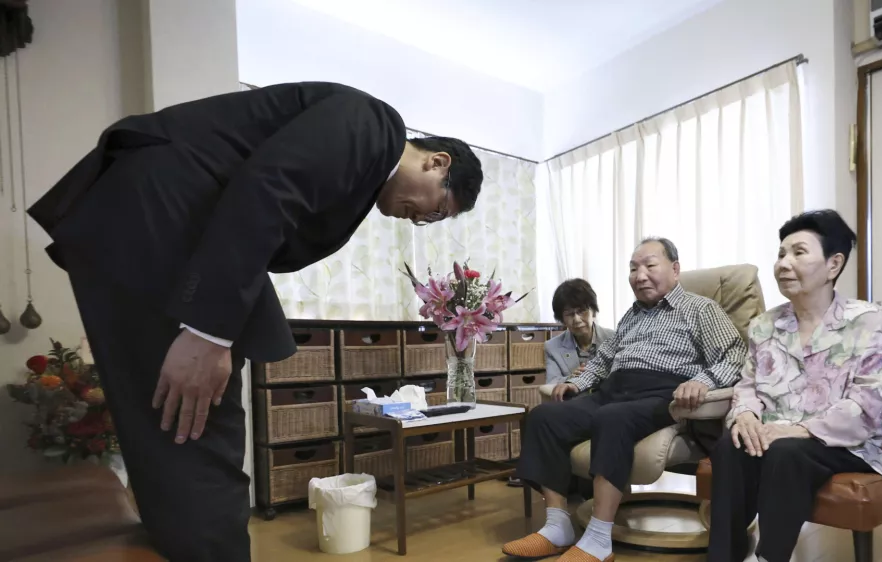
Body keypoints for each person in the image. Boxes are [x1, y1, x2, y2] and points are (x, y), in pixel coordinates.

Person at [27, 82, 483, 562]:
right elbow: (269, 186)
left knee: (163, 423)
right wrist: (208, 330)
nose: (421, 220)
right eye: (437, 209)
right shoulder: (373, 124)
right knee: (195, 424)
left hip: (140, 223)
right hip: (163, 218)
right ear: (437, 163)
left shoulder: (363, 166)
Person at [503, 238, 747, 562]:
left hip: (663, 394)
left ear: (675, 269)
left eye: (649, 265)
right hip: (613, 390)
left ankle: (598, 540)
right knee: (543, 418)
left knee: (613, 417)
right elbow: (604, 359)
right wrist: (578, 382)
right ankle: (557, 526)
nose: (639, 275)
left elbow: (735, 356)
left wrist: (700, 381)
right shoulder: (632, 315)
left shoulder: (701, 309)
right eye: (633, 268)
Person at [707, 210, 882, 562]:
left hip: (849, 443)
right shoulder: (764, 324)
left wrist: (794, 430)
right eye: (780, 254)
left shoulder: (871, 322)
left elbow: (865, 409)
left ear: (833, 265)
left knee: (786, 452)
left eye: (798, 253)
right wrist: (745, 416)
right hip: (777, 439)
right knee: (731, 445)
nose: (783, 263)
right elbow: (747, 385)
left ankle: (769, 557)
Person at [545, 278, 615, 385]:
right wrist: (571, 379)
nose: (577, 319)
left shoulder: (614, 338)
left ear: (594, 312)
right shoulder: (552, 347)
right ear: (562, 319)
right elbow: (551, 383)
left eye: (582, 311)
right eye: (569, 314)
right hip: (573, 400)